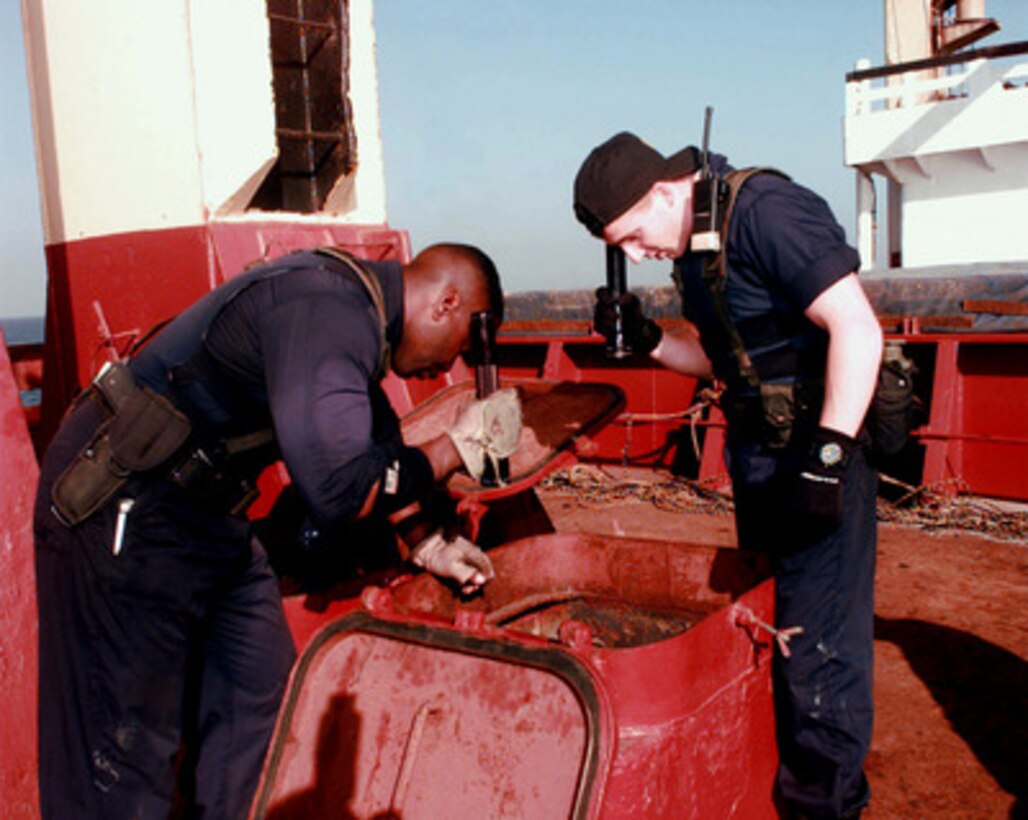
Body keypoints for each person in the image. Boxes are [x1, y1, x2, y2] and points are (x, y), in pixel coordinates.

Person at [33, 242, 520, 818]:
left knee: (255, 685)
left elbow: (375, 435)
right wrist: (455, 447)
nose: (452, 366)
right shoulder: (327, 307)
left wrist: (426, 540)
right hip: (127, 505)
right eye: (463, 343)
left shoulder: (355, 308)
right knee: (124, 743)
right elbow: (337, 489)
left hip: (206, 514)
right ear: (446, 302)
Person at [573, 132, 882, 819]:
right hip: (761, 458)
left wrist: (827, 464)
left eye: (632, 235)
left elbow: (859, 329)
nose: (634, 255)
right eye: (618, 248)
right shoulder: (693, 246)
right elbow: (725, 363)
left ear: (661, 191)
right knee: (771, 626)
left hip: (817, 455)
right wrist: (651, 338)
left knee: (818, 655)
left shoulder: (766, 212)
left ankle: (827, 807)